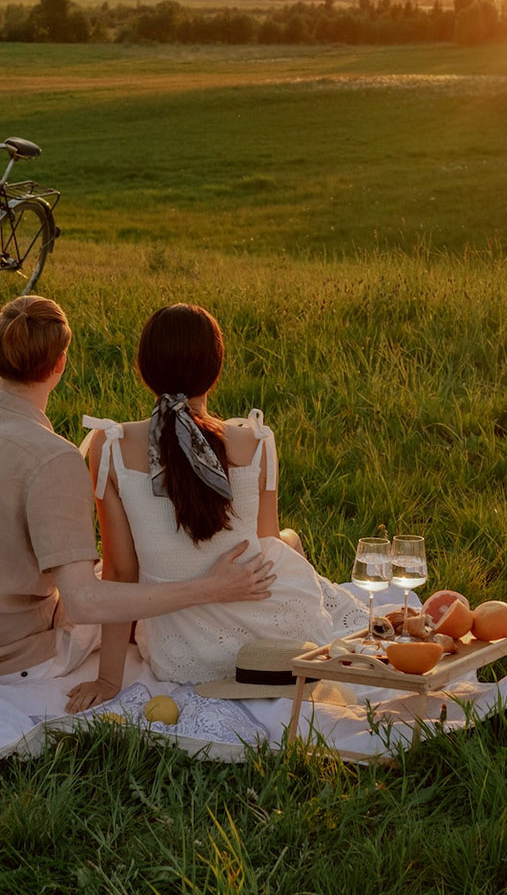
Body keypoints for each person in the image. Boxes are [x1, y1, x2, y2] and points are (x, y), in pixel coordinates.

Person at [0, 295, 277, 691]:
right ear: (61, 364)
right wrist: (212, 587)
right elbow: (85, 603)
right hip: (8, 658)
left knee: (112, 573)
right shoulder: (54, 458)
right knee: (117, 586)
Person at [68, 303, 365, 711]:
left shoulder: (111, 448)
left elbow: (122, 571)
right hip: (273, 641)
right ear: (216, 369)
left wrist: (108, 678)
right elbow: (265, 545)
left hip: (179, 653)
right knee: (287, 541)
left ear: (144, 369)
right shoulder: (256, 441)